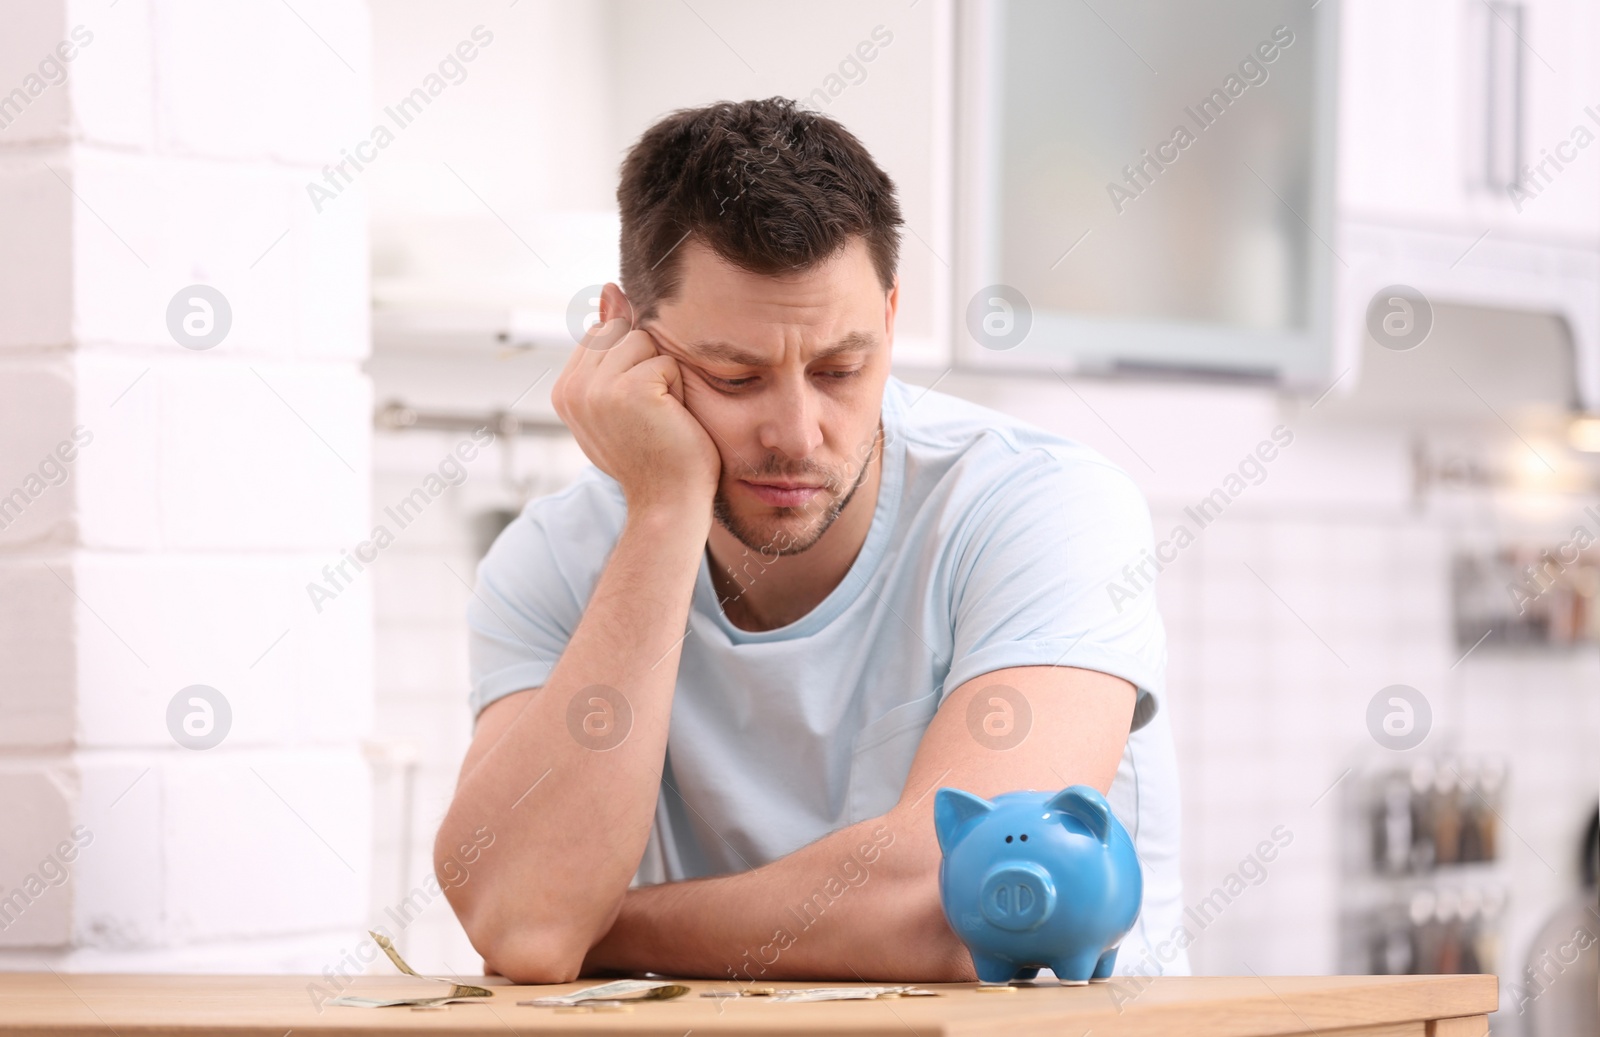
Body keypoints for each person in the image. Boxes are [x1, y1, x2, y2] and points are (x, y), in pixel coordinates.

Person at [434, 96, 1186, 984]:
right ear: (622, 334)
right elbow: (523, 926)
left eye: (840, 369)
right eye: (734, 375)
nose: (796, 432)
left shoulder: (1043, 508)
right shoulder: (550, 561)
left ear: (893, 320)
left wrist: (593, 930)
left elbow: (960, 913)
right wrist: (667, 510)